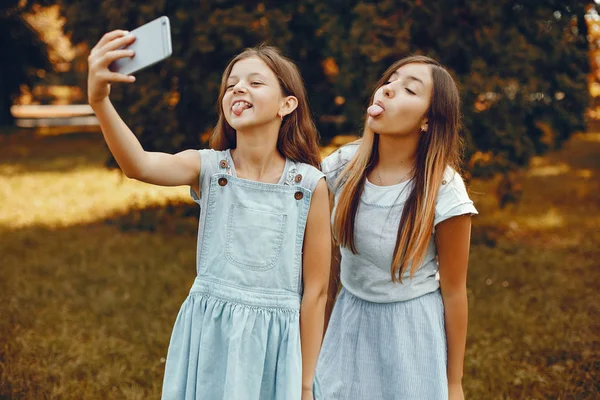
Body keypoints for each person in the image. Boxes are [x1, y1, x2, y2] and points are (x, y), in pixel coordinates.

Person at [87, 31, 331, 400]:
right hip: (210, 336)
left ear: (287, 104)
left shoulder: (309, 186)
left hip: (275, 346)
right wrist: (100, 100)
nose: (238, 89)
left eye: (255, 82)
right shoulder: (210, 169)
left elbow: (316, 292)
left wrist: (305, 382)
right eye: (231, 84)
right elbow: (138, 165)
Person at [314, 55, 478, 400]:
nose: (387, 89)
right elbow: (321, 256)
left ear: (428, 121)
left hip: (411, 332)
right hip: (350, 319)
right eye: (390, 80)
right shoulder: (343, 165)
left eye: (409, 89)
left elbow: (454, 291)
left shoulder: (444, 191)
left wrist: (453, 383)